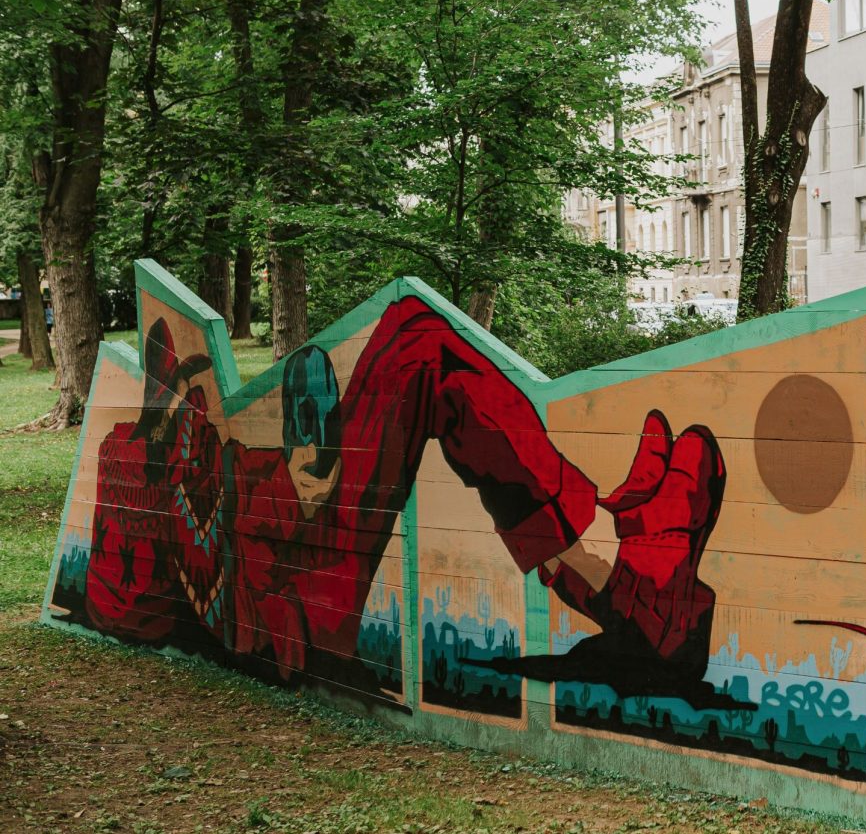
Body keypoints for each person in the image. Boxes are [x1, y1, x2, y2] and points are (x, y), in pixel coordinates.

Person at [83, 299, 727, 702]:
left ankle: (613, 573)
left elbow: (235, 480)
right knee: (422, 349)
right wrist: (276, 491)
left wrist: (288, 478)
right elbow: (127, 604)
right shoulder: (131, 468)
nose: (198, 412)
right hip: (290, 612)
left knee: (415, 336)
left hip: (293, 550)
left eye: (198, 400)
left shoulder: (187, 458)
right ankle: (620, 580)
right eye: (187, 401)